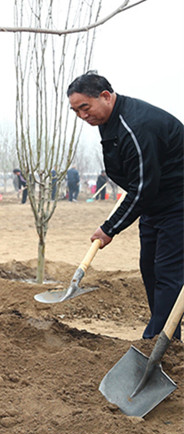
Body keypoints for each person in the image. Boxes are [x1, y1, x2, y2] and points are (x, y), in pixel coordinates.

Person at [67, 71, 183, 340]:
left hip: (177, 203)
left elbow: (143, 187)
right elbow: (138, 185)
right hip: (156, 205)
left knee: (167, 274)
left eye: (85, 107)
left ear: (106, 96)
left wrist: (110, 228)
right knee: (150, 268)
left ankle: (157, 341)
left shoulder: (137, 126)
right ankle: (167, 339)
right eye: (76, 112)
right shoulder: (112, 121)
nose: (83, 116)